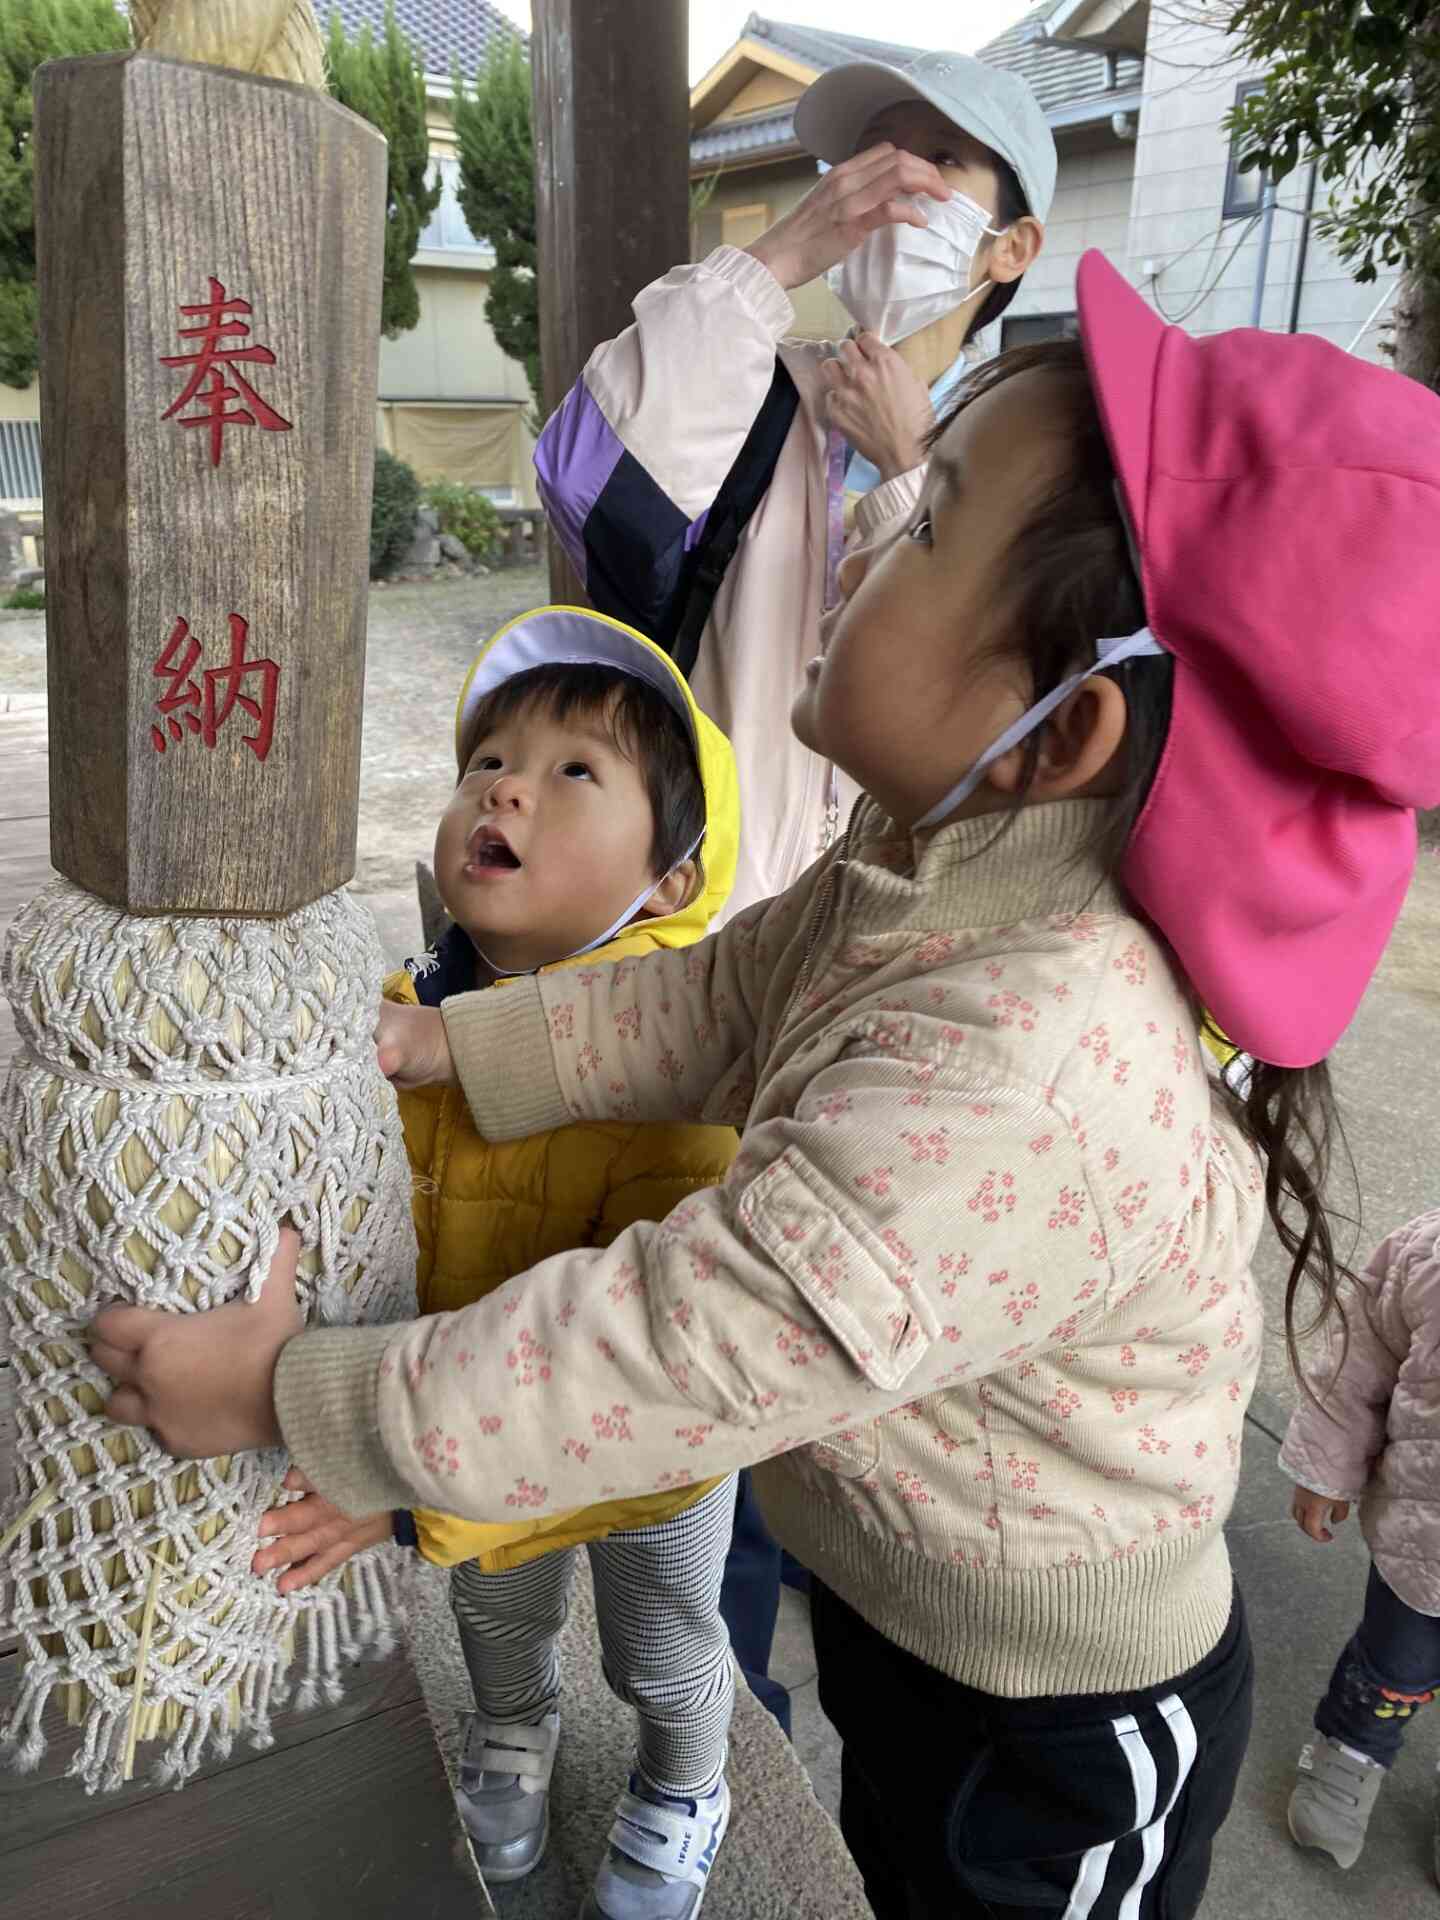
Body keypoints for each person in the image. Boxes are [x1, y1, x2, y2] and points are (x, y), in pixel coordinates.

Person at [90, 251, 1440, 1918]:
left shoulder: (1026, 1063)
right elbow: (721, 996)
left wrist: (305, 1398)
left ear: (1054, 737)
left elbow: (676, 1344)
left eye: (928, 517)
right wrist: (457, 1039)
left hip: (1062, 1734)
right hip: (902, 1602)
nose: (867, 528)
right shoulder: (921, 862)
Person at [247, 607, 745, 1919]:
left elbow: (646, 1377)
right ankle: (515, 1727)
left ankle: (687, 1780)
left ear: (673, 880)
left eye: (576, 770)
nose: (506, 784)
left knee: (663, 1645)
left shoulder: (680, 1089)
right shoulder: (406, 1015)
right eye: (488, 760)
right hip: (464, 1417)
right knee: (497, 1621)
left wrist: (406, 1491)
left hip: (648, 1458)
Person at [535, 49, 1053, 919]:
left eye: (943, 158)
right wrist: (773, 261)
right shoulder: (752, 387)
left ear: (1013, 247)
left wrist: (907, 472)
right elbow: (585, 484)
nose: (899, 179)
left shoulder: (1037, 444)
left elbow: (1005, 707)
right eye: (877, 151)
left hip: (898, 943)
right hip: (703, 924)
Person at [1281, 1208, 1440, 1876]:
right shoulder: (1428, 1252)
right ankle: (1350, 1752)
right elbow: (1359, 1358)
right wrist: (1326, 1468)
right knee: (1394, 1667)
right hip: (1427, 1547)